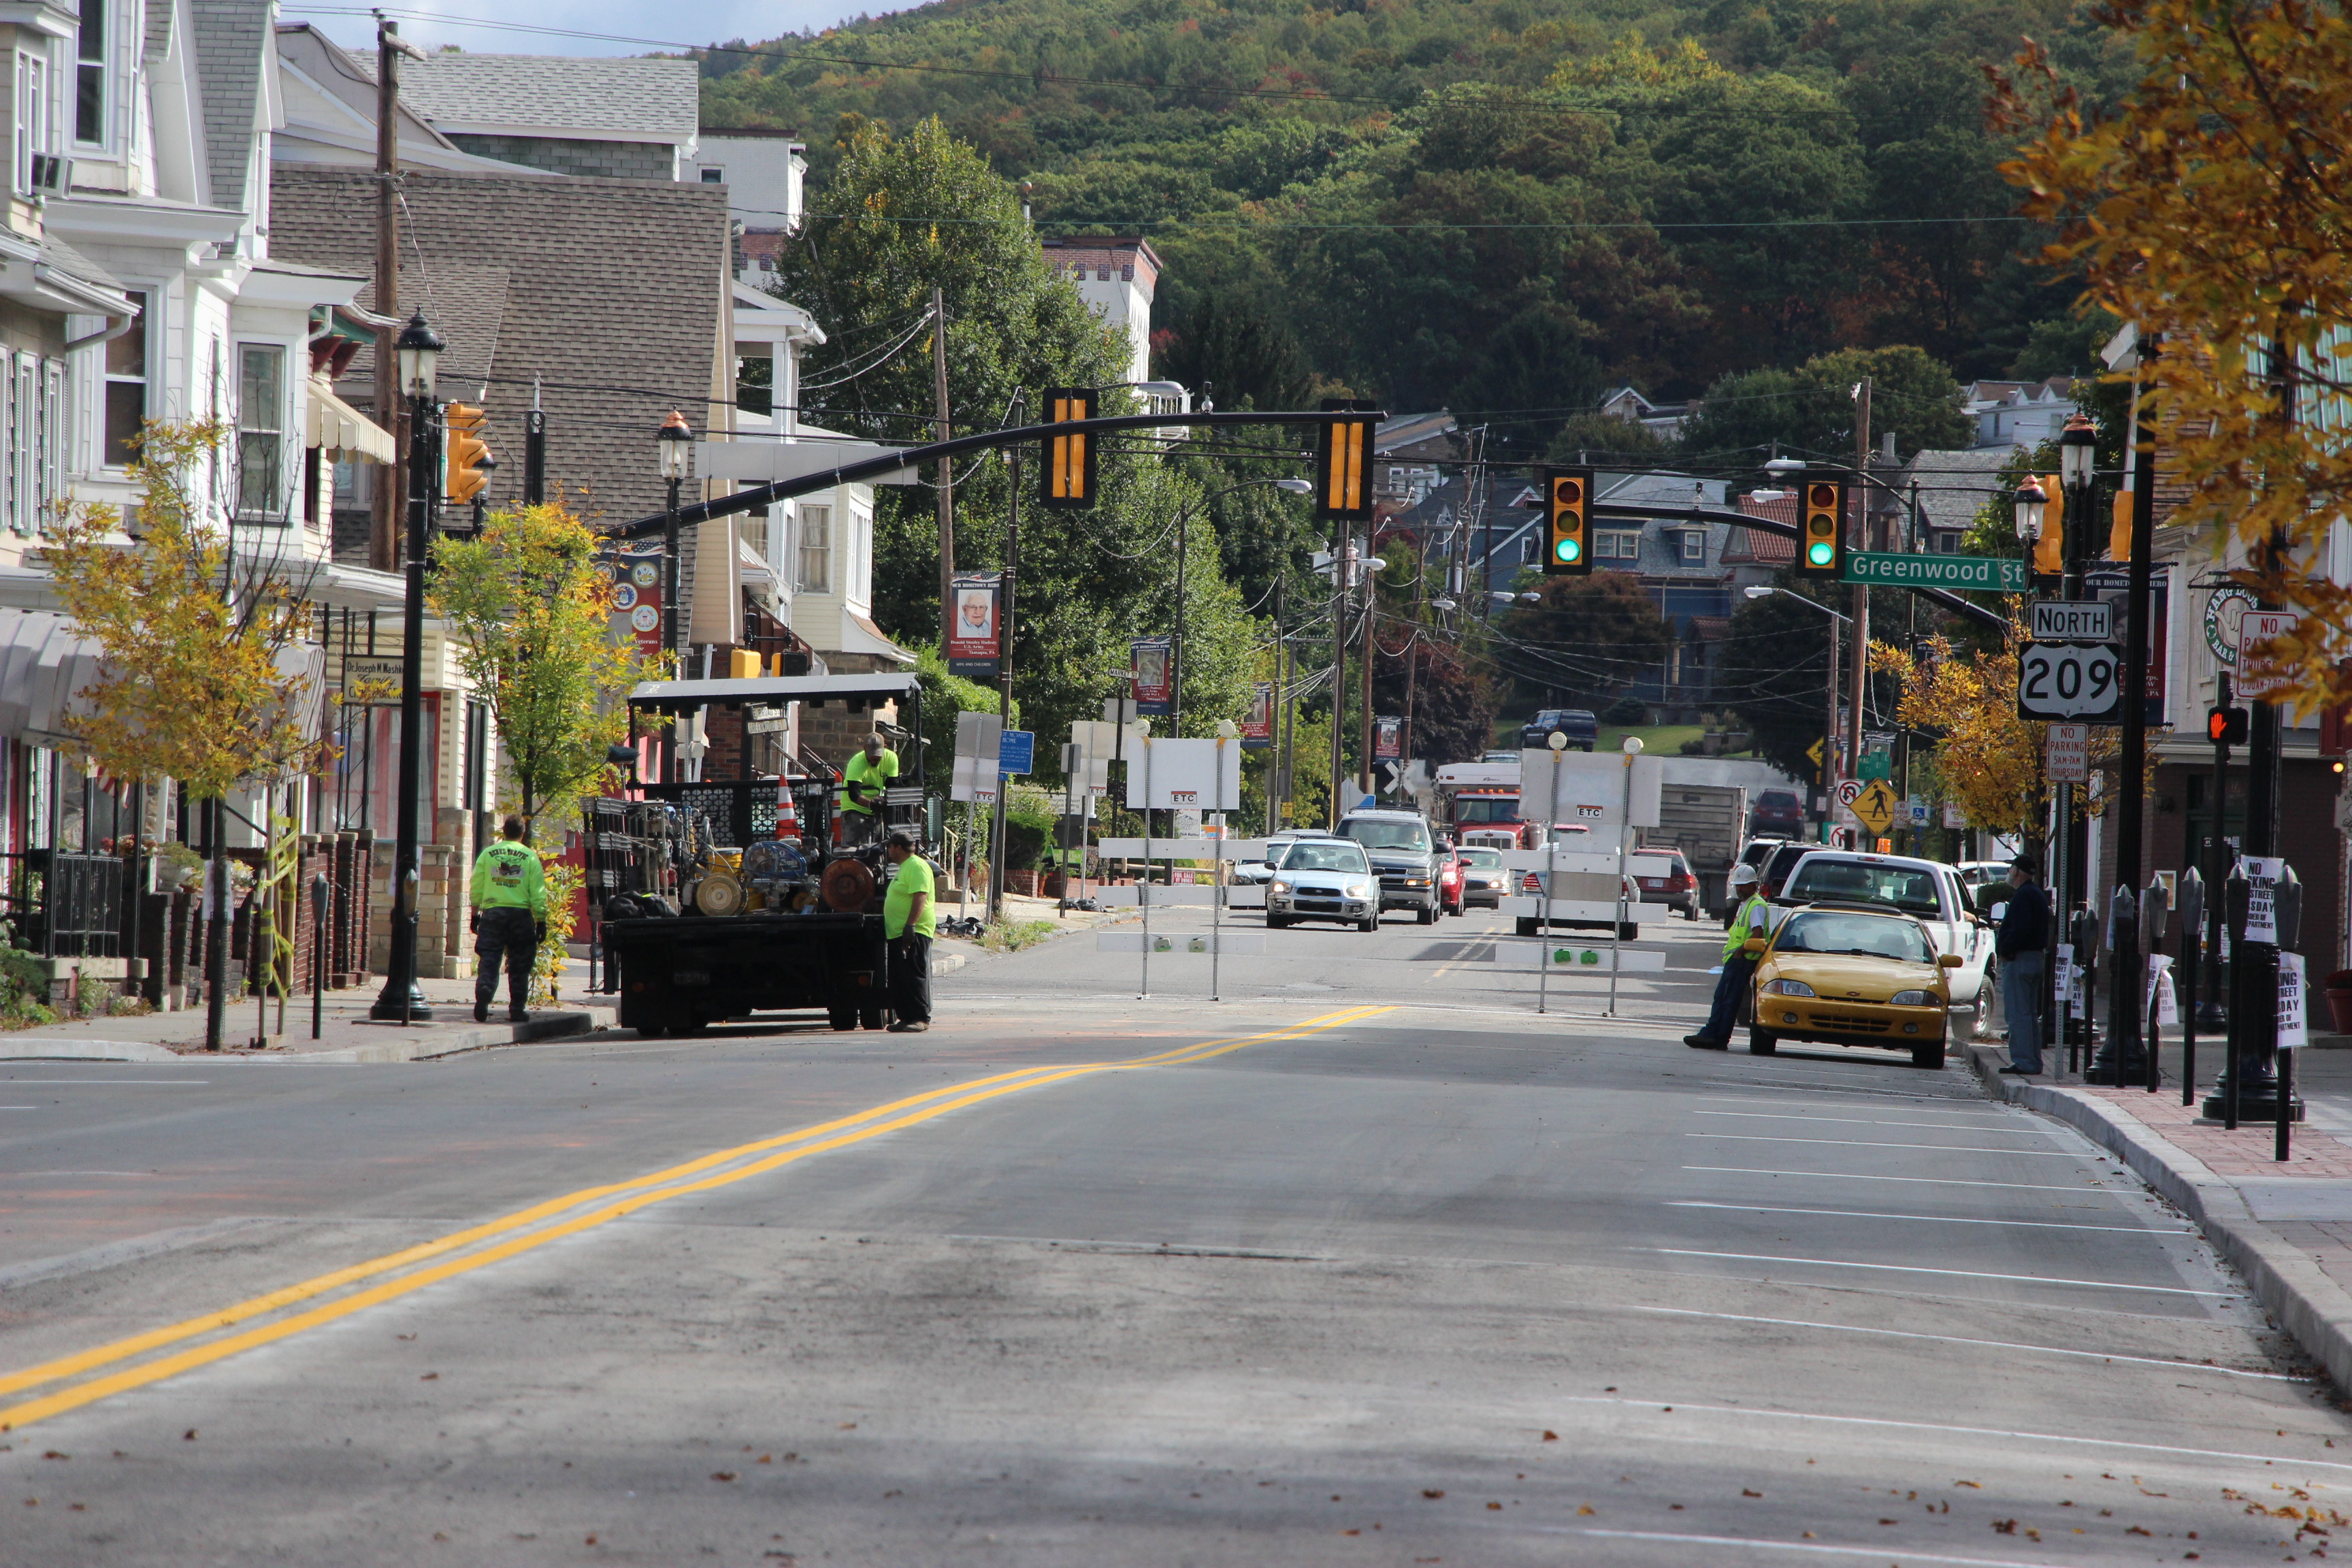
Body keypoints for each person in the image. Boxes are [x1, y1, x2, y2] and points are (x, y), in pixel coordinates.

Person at [468, 815, 545, 1024]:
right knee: (520, 963)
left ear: (504, 831)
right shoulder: (530, 857)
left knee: (490, 957)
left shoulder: (488, 854)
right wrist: (541, 920)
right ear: (523, 833)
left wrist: (475, 914)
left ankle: (485, 989)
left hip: (493, 913)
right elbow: (538, 892)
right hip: (521, 915)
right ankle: (517, 1009)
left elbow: (476, 886)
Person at [1686, 863, 1771, 1050]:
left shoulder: (1756, 906)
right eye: (1738, 886)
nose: (1740, 889)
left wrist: (1741, 951)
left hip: (1743, 961)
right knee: (1724, 998)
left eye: (1744, 886)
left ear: (1754, 885)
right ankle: (1714, 1035)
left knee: (1728, 999)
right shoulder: (1747, 904)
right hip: (1737, 960)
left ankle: (1715, 1036)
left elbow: (1758, 933)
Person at [1997, 854, 2051, 1075]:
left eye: (2011, 868)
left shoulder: (2023, 895)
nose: (2010, 872)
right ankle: (2032, 1061)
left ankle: (2024, 1062)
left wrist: (2006, 949)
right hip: (2035, 959)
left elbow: (2020, 929)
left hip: (2019, 960)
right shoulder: (2036, 894)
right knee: (2029, 1014)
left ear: (2017, 871)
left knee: (2018, 1014)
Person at [882, 828, 935, 1032]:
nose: (888, 851)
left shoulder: (916, 866)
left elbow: (920, 896)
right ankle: (906, 1018)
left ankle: (920, 1018)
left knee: (914, 974)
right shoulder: (905, 867)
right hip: (897, 932)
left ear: (898, 848)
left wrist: (911, 925)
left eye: (890, 847)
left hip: (914, 930)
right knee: (901, 976)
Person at [840, 733, 899, 847]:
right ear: (864, 749)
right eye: (871, 755)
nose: (874, 759)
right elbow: (854, 793)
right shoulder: (856, 763)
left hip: (877, 807)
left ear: (885, 747)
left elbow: (893, 786)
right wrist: (871, 804)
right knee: (854, 848)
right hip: (855, 807)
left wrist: (883, 801)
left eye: (878, 756)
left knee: (878, 847)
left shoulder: (892, 758)